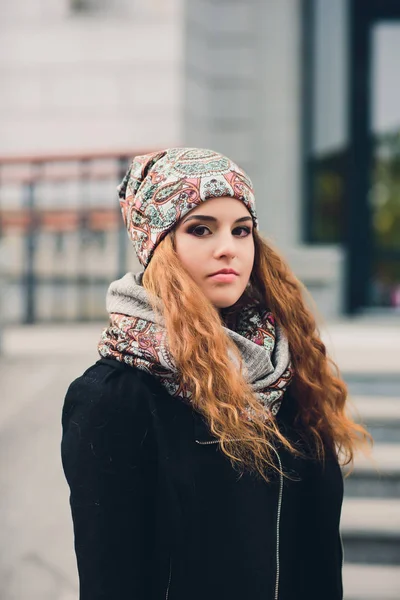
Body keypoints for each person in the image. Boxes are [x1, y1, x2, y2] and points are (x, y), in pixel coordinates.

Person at [61, 147, 370, 600]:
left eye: (241, 230)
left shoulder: (287, 369)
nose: (228, 247)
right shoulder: (116, 395)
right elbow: (113, 577)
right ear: (159, 246)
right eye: (201, 229)